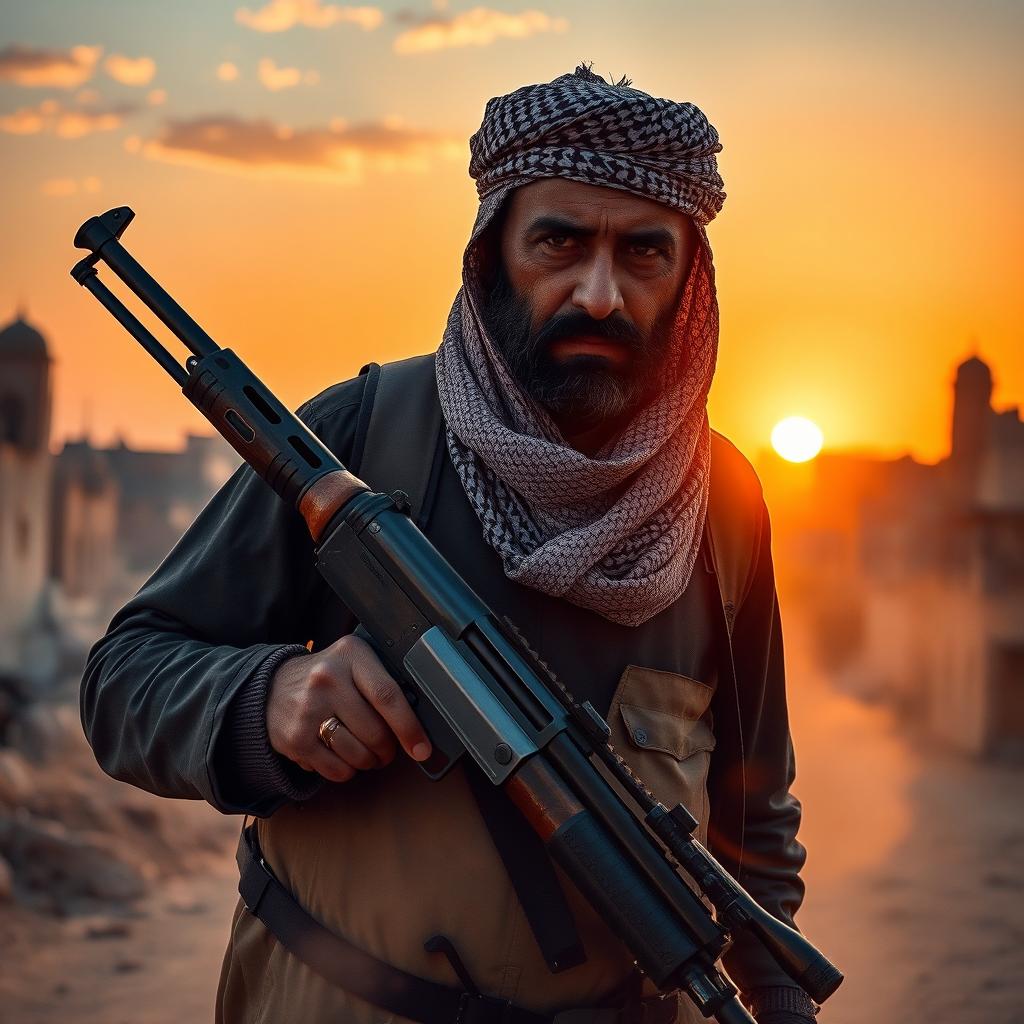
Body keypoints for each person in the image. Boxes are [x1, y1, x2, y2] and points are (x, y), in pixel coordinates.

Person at [81, 65, 817, 1024]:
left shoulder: (725, 503)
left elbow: (755, 815)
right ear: (491, 251)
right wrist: (273, 703)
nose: (598, 293)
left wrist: (778, 1001)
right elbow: (125, 684)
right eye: (558, 240)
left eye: (644, 252)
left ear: (689, 280)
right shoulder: (359, 436)